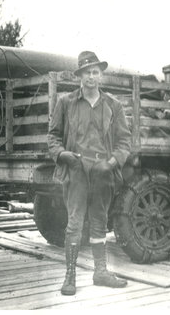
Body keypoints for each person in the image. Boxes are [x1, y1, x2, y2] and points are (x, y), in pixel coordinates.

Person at [48, 51, 131, 295]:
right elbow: (52, 136)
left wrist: (113, 162)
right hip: (76, 169)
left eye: (95, 72)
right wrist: (63, 155)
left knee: (99, 220)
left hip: (103, 172)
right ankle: (70, 276)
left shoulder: (113, 105)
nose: (91, 77)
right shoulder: (66, 102)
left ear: (101, 75)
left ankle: (101, 272)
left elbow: (125, 141)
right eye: (87, 72)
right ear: (80, 76)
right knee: (74, 222)